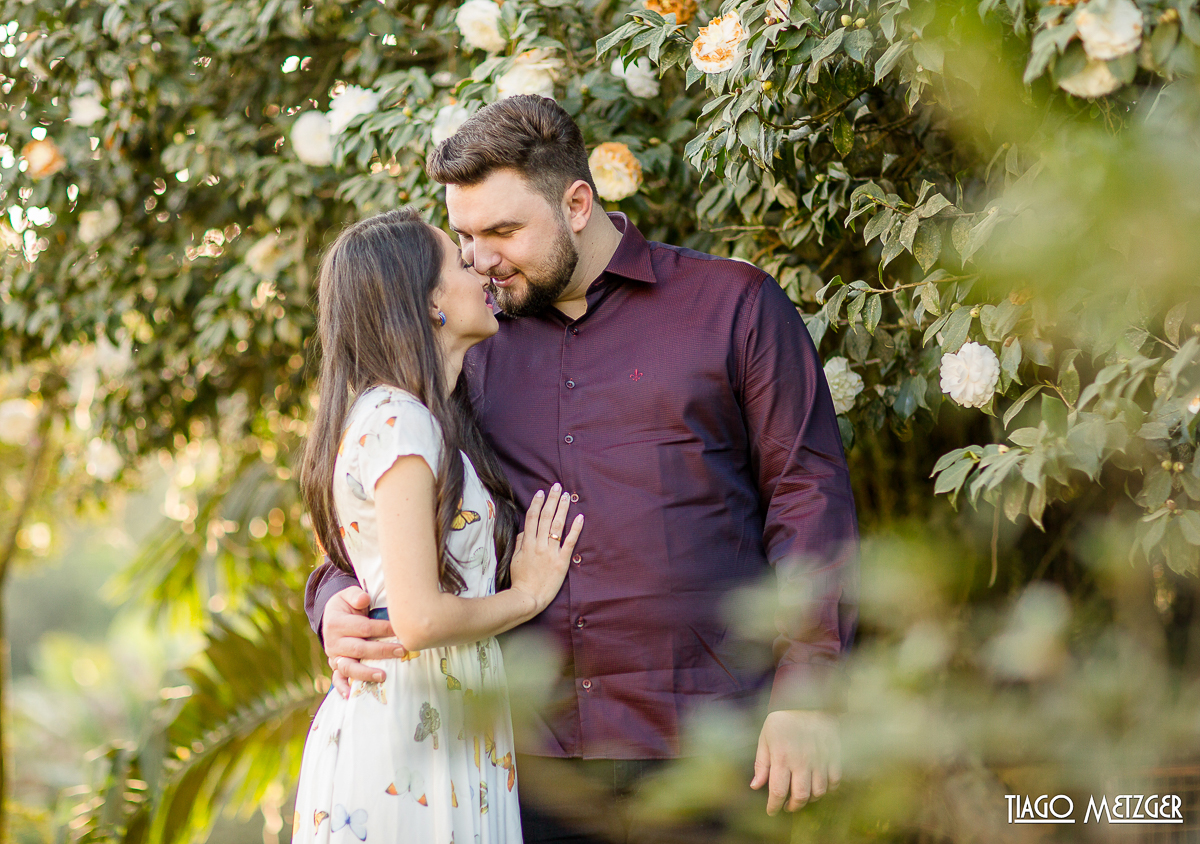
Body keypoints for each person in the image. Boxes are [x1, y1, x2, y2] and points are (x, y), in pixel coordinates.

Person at [305, 96, 859, 843]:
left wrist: (806, 693)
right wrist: (337, 600)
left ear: (576, 203)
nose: (482, 259)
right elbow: (373, 493)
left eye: (503, 230)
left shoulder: (732, 307)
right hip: (525, 765)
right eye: (466, 237)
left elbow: (808, 494)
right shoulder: (464, 345)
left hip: (718, 745)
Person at [292, 207, 583, 843]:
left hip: (439, 717)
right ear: (429, 305)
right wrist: (527, 595)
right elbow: (419, 618)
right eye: (458, 258)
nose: (478, 265)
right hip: (414, 728)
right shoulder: (402, 421)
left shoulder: (412, 416)